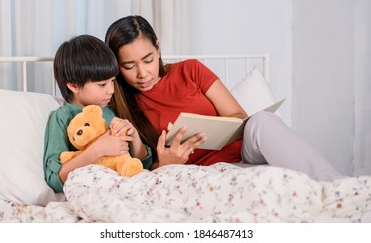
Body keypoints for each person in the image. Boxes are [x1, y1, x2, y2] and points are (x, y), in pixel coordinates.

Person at [104, 15, 342, 182]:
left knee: (261, 120)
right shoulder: (118, 106)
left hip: (242, 152)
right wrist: (164, 164)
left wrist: (212, 130)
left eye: (148, 60)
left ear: (158, 47)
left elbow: (238, 116)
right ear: (116, 66)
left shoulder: (190, 70)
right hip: (198, 173)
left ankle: (334, 187)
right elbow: (134, 167)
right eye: (129, 66)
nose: (143, 74)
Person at [43, 34, 152, 193]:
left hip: (131, 184)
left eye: (112, 81)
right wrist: (98, 150)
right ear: (74, 85)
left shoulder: (111, 111)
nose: (111, 91)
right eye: (102, 84)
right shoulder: (62, 117)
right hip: (99, 189)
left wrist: (134, 137)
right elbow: (54, 179)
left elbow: (144, 164)